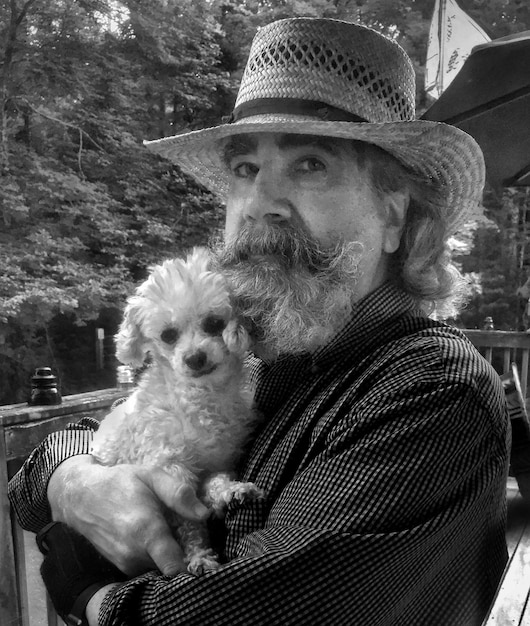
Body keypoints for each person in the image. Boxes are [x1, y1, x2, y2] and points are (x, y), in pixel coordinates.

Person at [9, 17, 509, 626]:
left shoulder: (432, 392)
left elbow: (240, 612)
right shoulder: (254, 352)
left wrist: (89, 595)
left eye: (309, 165)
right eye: (244, 169)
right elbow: (66, 457)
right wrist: (71, 478)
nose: (259, 202)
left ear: (395, 216)